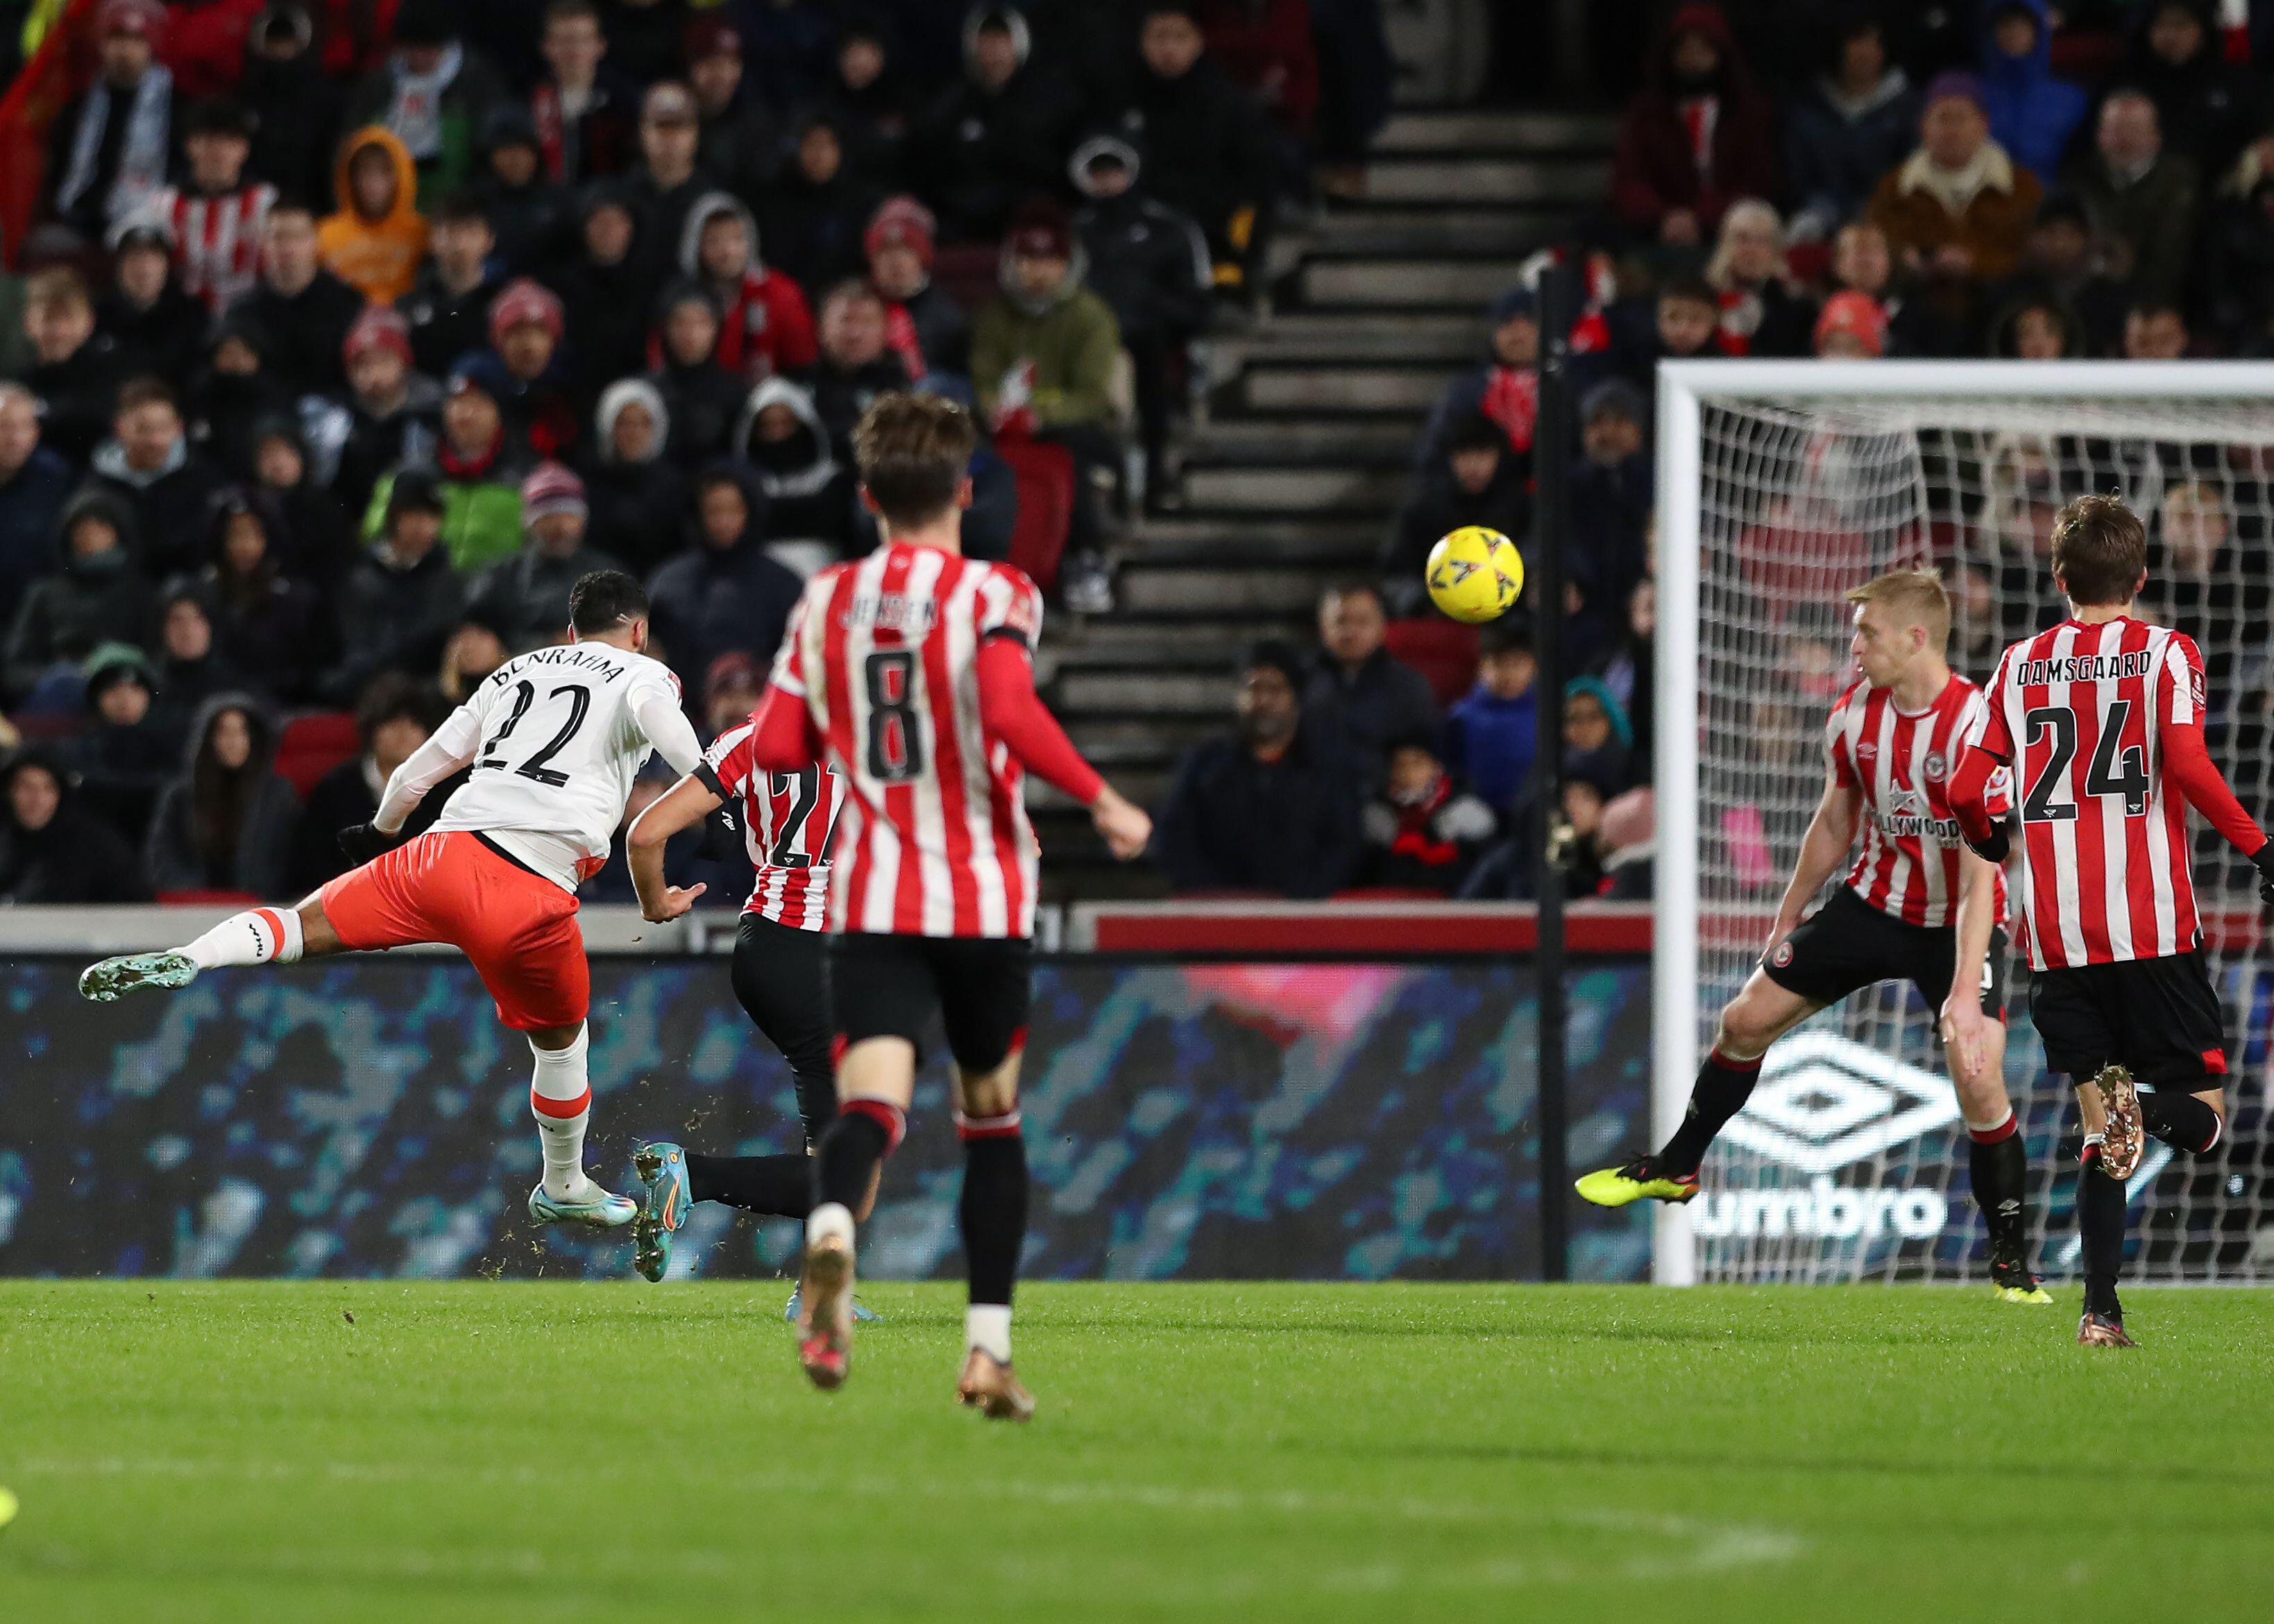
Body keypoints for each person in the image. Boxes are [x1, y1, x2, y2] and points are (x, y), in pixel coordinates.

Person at [704, 393, 1149, 1412]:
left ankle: (830, 1238)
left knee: (868, 1108)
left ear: (865, 499)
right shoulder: (998, 591)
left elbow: (775, 747)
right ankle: (986, 1351)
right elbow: (1003, 706)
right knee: (991, 1121)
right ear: (962, 490)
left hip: (871, 895)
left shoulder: (825, 602)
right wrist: (1100, 798)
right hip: (981, 897)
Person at [80, 570, 708, 1236]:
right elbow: (687, 755)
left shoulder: (514, 671)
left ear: (572, 627)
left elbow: (415, 772)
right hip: (532, 884)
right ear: (638, 631)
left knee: (297, 925)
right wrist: (713, 801)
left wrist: (382, 831)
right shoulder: (647, 676)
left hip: (437, 855)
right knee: (561, 1041)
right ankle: (563, 1183)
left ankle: (192, 955)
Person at [1577, 569, 2046, 1302]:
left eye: (1867, 632)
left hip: (1957, 919)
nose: (1854, 646)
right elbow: (1836, 817)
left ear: (1915, 638)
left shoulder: (1974, 727)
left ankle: (2011, 1265)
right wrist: (1789, 911)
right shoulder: (1856, 712)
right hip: (1869, 903)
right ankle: (1676, 1167)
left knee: (1978, 1074)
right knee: (1742, 1020)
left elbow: (1984, 868)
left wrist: (1962, 990)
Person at [1946, 496, 2274, 1346]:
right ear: (2141, 577)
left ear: (2059, 580)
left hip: (2054, 939)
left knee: (2106, 1128)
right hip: (2150, 927)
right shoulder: (2165, 652)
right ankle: (2140, 1126)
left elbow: (1963, 787)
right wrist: (2261, 850)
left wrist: (1989, 833)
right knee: (2200, 1115)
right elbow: (2192, 767)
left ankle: (2100, 1313)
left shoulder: (2017, 665)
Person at [618, 712, 860, 1297]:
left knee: (843, 1151)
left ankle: (817, 1294)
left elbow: (646, 833)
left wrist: (655, 902)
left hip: (767, 944)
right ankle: (690, 1175)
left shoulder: (749, 737)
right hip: (822, 950)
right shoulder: (884, 730)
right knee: (851, 1167)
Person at [1155, 639, 1362, 896]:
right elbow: (1173, 836)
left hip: (1305, 919)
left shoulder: (1327, 767)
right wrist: (1217, 896)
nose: (1263, 700)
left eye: (1275, 689)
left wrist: (1302, 899)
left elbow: (1344, 845)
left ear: (1296, 698)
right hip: (1220, 916)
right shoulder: (1205, 763)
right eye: (1253, 688)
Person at [1069, 137, 1212, 499]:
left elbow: (1195, 298)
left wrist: (1156, 312)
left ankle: (1154, 475)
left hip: (1153, 339)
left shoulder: (1169, 227)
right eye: (1098, 172)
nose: (1107, 181)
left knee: (1149, 366)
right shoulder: (1073, 233)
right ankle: (1108, 481)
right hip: (1091, 343)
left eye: (1114, 171)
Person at [1109, 2, 1275, 277]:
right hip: (1137, 220)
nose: (1169, 48)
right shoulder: (1120, 97)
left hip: (1209, 221)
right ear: (1141, 41)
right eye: (1160, 37)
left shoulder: (1225, 101)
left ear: (1198, 42)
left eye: (1180, 37)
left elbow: (1254, 176)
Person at [1865, 74, 2044, 327]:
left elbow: (2032, 252)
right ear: (1924, 126)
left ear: (1984, 124)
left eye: (1961, 119)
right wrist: (1908, 260)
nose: (1951, 129)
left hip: (1999, 307)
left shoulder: (2021, 187)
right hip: (1920, 307)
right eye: (1942, 119)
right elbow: (1879, 238)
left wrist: (1977, 264)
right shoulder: (1895, 188)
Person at [1608, 3, 1778, 247]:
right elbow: (1628, 181)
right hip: (1657, 230)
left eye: (1703, 49)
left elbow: (1757, 181)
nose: (1693, 59)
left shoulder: (1747, 111)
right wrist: (1665, 217)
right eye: (1685, 49)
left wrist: (1702, 217)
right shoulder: (1647, 112)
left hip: (1729, 228)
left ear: (1721, 54)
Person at [910, 5, 1076, 241]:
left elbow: (1051, 168)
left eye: (1003, 41)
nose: (995, 50)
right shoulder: (951, 107)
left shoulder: (1048, 102)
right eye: (987, 41)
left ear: (1019, 43)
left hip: (1026, 214)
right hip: (965, 219)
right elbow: (933, 167)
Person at [288, 673, 448, 894]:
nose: (404, 735)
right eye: (392, 723)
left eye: (414, 725)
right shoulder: (335, 789)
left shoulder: (444, 789)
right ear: (372, 729)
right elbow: (315, 864)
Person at [645, 463, 800, 690]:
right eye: (713, 511)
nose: (723, 521)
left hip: (760, 709)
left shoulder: (783, 584)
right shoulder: (668, 582)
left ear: (750, 511)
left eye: (733, 510)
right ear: (698, 514)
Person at [342, 1, 512, 205]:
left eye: (428, 49)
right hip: (390, 206)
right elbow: (352, 145)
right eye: (412, 49)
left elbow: (489, 150)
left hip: (457, 204)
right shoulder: (378, 85)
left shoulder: (476, 82)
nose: (419, 58)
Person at [5, 489, 155, 707]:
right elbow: (14, 670)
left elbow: (157, 661)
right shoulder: (44, 595)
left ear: (119, 533)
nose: (90, 537)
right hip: (58, 702)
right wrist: (60, 676)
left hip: (126, 698)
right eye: (81, 529)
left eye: (100, 528)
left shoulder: (142, 594)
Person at [143, 695, 301, 897]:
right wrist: (191, 894)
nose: (233, 742)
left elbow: (290, 860)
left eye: (242, 732)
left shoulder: (279, 795)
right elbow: (162, 857)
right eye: (224, 732)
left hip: (261, 909)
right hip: (190, 910)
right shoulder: (180, 796)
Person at [44, 0, 176, 239]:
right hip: (79, 213)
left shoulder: (173, 104)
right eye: (117, 39)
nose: (125, 50)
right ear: (102, 44)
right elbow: (58, 166)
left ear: (151, 46)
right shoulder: (78, 105)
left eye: (137, 40)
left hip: (145, 219)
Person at [330, 470, 465, 703]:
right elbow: (355, 647)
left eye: (432, 516)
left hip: (423, 698)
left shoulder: (447, 581)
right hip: (365, 692)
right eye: (413, 514)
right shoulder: (362, 578)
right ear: (394, 517)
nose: (423, 526)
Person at [1783, 16, 1918, 245]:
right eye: (1857, 42)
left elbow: (1910, 170)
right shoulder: (1809, 107)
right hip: (1819, 216)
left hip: (1885, 218)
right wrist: (1819, 210)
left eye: (1873, 43)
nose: (1865, 53)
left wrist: (1877, 210)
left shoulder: (1906, 107)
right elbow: (1798, 173)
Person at [1379, 413, 1529, 615]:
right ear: (1449, 458)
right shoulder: (1422, 509)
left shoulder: (1521, 507)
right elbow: (1396, 575)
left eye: (1483, 453)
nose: (1474, 466)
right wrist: (1429, 601)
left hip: (1507, 620)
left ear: (1499, 457)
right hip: (1436, 620)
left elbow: (1534, 562)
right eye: (1464, 454)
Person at [83, 376, 226, 581]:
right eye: (143, 429)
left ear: (178, 428)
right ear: (119, 428)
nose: (155, 440)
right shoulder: (96, 487)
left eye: (164, 428)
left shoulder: (203, 479)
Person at [2066, 89, 2198, 309]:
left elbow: (2172, 254)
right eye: (2116, 130)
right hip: (2088, 299)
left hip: (2159, 304)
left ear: (2156, 138)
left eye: (2135, 130)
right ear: (2100, 136)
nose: (2125, 139)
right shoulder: (2078, 180)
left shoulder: (2178, 181)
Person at [470, 462, 622, 648]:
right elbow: (478, 634)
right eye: (548, 516)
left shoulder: (609, 575)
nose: (561, 527)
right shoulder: (501, 577)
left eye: (569, 515)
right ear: (529, 524)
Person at [226, 203, 366, 400]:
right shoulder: (242, 311)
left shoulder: (347, 303)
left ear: (315, 242)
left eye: (297, 237)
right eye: (277, 237)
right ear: (262, 243)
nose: (288, 248)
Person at [1305, 581, 1437, 789]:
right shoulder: (1301, 682)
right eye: (1340, 621)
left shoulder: (1410, 687)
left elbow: (1424, 757)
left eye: (1362, 622)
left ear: (1382, 627)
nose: (1350, 632)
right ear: (1323, 628)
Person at [680, 191, 819, 382]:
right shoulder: (680, 298)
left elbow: (802, 362)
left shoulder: (781, 293)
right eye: (714, 241)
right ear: (695, 246)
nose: (726, 252)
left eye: (736, 239)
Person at [0, 747, 152, 904]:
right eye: (27, 788)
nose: (37, 800)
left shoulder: (97, 846)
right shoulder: (5, 840)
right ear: (9, 793)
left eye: (48, 789)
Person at [337, 307, 442, 518]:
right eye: (363, 365)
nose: (374, 374)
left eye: (383, 362)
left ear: (403, 364)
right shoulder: (341, 423)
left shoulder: (431, 414)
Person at [1359, 731, 1496, 894]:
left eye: (1417, 764)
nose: (1407, 774)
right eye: (1399, 765)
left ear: (1436, 767)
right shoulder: (1375, 816)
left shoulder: (1468, 813)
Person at [1418, 287, 1538, 471]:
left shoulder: (1564, 386)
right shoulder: (1467, 391)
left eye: (1528, 325)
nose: (1519, 335)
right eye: (1508, 324)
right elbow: (1435, 452)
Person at [584, 378, 688, 577]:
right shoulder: (591, 483)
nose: (634, 433)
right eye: (625, 423)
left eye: (644, 424)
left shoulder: (674, 486)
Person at [401, 192, 509, 380]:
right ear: (432, 240)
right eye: (450, 232)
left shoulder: (504, 302)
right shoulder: (409, 303)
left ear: (490, 241)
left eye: (470, 231)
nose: (460, 244)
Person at [319, 125, 430, 305]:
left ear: (402, 175)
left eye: (384, 170)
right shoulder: (325, 236)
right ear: (350, 177)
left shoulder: (422, 233)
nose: (373, 181)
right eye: (365, 170)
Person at [1978, 0, 2086, 184]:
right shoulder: (1972, 94)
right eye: (2005, 25)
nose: (2014, 32)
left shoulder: (2072, 99)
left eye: (2023, 25)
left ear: (2039, 33)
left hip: (2050, 203)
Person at [530, 0, 636, 186]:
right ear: (546, 47)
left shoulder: (623, 102)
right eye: (565, 42)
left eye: (583, 40)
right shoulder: (532, 100)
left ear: (600, 46)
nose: (574, 51)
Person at [865, 196, 970, 383]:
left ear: (923, 257)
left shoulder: (948, 319)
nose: (895, 261)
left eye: (906, 250)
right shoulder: (857, 309)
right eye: (885, 251)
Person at [96, 216, 205, 389]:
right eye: (134, 256)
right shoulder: (96, 315)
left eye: (153, 256)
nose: (144, 267)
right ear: (118, 265)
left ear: (167, 265)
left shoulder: (191, 314)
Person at [647, 283, 748, 467]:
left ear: (717, 329)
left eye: (702, 323)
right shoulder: (645, 393)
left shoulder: (735, 394)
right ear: (665, 329)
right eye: (680, 323)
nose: (690, 335)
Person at [1445, 620, 1539, 816]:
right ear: (1482, 667)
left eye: (1517, 664)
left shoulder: (1547, 715)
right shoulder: (1461, 717)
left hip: (1532, 815)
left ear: (1534, 666)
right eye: (1499, 664)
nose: (1509, 675)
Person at [0, 384, 71, 633]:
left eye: (25, 427)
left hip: (37, 620)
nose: (15, 438)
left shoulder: (55, 477)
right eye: (5, 426)